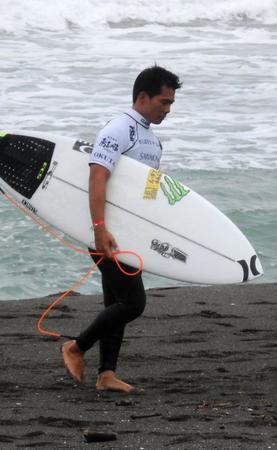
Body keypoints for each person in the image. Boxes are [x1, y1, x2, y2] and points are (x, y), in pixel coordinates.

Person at [61, 65, 182, 393]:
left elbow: (146, 196)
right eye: (164, 101)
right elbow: (97, 176)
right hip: (107, 232)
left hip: (130, 234)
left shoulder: (154, 144)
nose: (168, 109)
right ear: (142, 97)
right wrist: (99, 229)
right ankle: (76, 347)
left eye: (171, 103)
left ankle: (106, 374)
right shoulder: (117, 130)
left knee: (116, 302)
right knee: (133, 302)